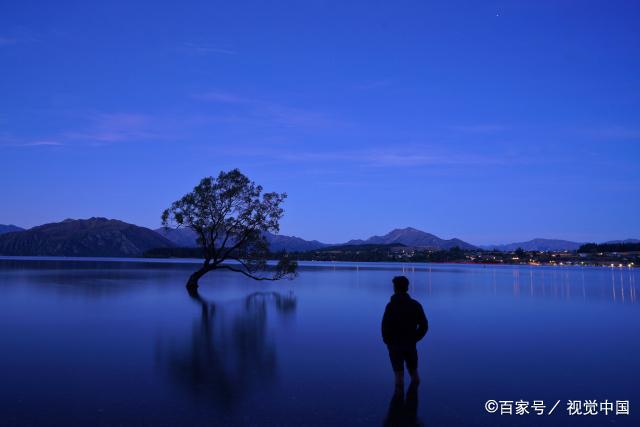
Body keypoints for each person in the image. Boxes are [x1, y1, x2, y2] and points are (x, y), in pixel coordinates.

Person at [381, 276, 428, 388]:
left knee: (398, 375)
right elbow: (424, 325)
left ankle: (398, 401)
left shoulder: (391, 306)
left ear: (395, 288)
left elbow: (384, 326)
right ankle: (413, 398)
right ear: (407, 287)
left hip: (395, 345)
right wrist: (415, 338)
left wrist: (388, 340)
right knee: (414, 372)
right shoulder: (415, 305)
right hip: (410, 343)